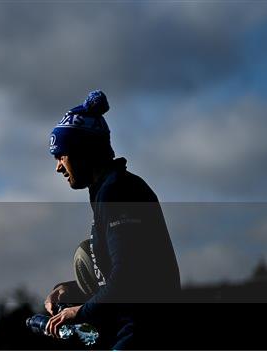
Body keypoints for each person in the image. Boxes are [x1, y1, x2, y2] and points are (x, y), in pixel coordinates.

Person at [44, 90, 181, 349]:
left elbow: (129, 277)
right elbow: (131, 273)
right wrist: (70, 290)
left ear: (83, 151)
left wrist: (79, 312)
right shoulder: (110, 190)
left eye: (61, 155)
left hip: (143, 333)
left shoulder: (117, 191)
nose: (58, 167)